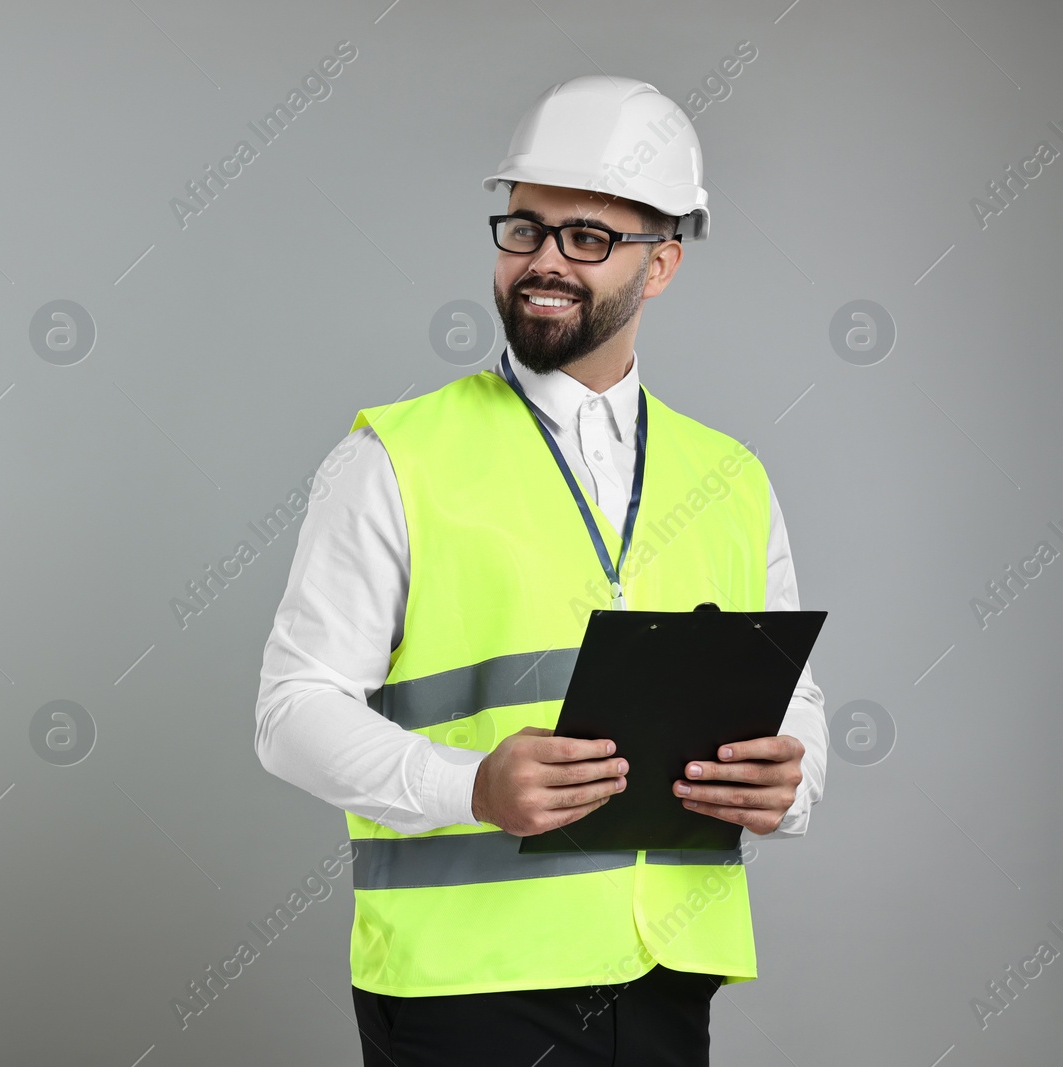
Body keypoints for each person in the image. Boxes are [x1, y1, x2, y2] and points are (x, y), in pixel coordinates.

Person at [253, 75, 827, 1066]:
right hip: (465, 987)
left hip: (662, 970)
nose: (543, 262)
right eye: (523, 229)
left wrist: (794, 779)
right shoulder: (395, 456)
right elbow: (290, 710)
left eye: (587, 237)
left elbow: (793, 694)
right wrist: (468, 785)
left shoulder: (729, 477)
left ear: (662, 264)